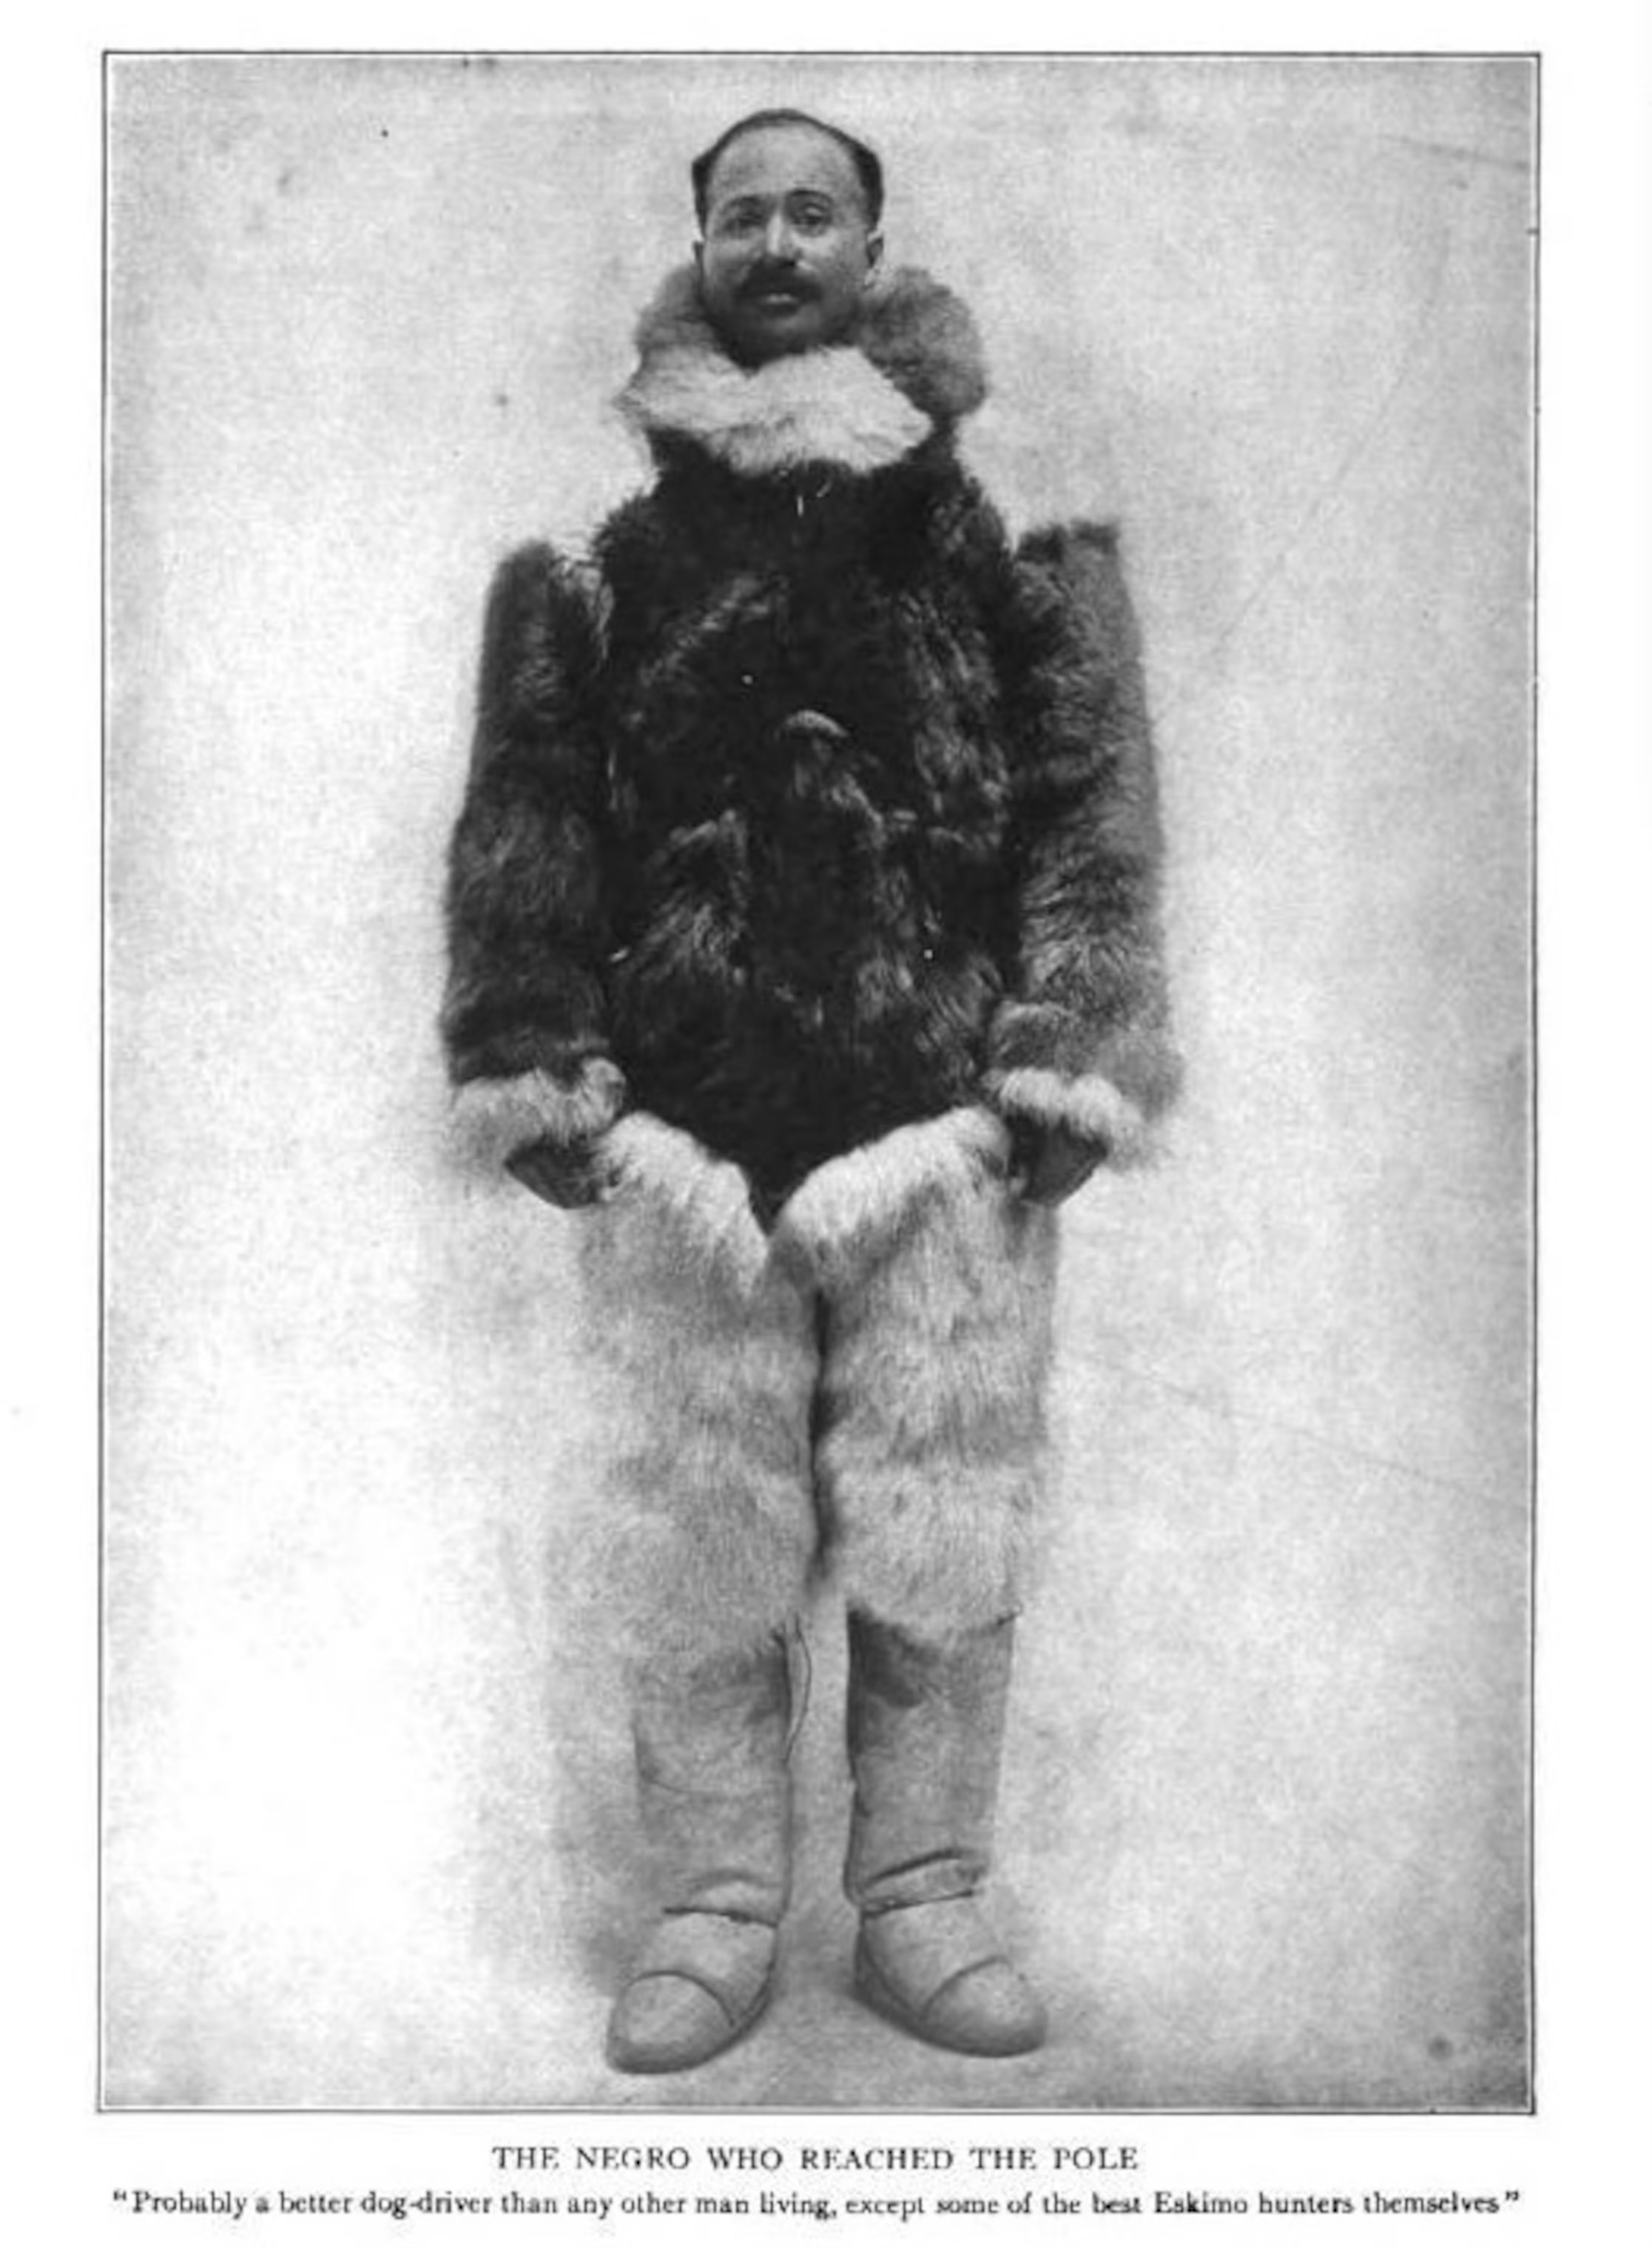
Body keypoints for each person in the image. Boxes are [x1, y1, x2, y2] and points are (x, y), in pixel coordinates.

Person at [440, 106, 1179, 2075]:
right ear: (700, 253)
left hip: (946, 1137)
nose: (777, 244)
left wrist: (1067, 1050)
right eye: (743, 216)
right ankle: (712, 1910)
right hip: (680, 1150)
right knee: (695, 1543)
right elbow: (528, 820)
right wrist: (534, 1057)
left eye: (814, 214)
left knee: (944, 1526)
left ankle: (924, 1900)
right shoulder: (598, 576)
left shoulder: (993, 555)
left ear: (870, 252)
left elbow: (1088, 811)